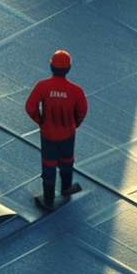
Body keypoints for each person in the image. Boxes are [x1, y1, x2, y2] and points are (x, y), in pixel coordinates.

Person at [25, 49, 88, 209]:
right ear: (68, 68)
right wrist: (74, 124)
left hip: (48, 134)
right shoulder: (76, 91)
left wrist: (41, 121)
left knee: (49, 164)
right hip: (68, 134)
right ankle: (66, 190)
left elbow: (30, 107)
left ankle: (48, 198)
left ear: (51, 66)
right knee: (67, 161)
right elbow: (82, 111)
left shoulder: (42, 86)